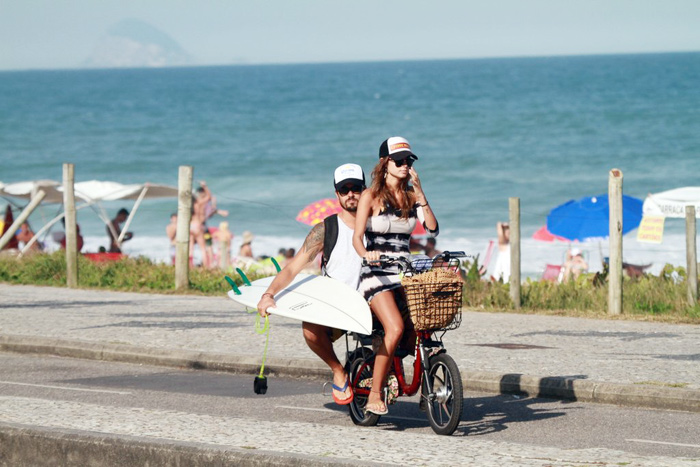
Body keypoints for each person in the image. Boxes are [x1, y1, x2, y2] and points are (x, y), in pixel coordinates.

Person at [257, 163, 366, 405]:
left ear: (364, 189)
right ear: (337, 193)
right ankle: (339, 370)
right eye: (344, 189)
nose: (350, 194)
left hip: (372, 299)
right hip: (338, 303)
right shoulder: (326, 229)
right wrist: (269, 294)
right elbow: (293, 268)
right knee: (310, 330)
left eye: (356, 188)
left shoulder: (375, 224)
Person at [352, 136, 439, 416]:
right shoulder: (370, 196)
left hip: (403, 270)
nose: (405, 165)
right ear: (384, 163)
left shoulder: (412, 196)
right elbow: (356, 238)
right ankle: (375, 394)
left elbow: (433, 229)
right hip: (375, 272)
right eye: (399, 161)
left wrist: (421, 192)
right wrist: (367, 254)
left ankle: (415, 371)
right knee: (396, 328)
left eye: (408, 161)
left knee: (426, 320)